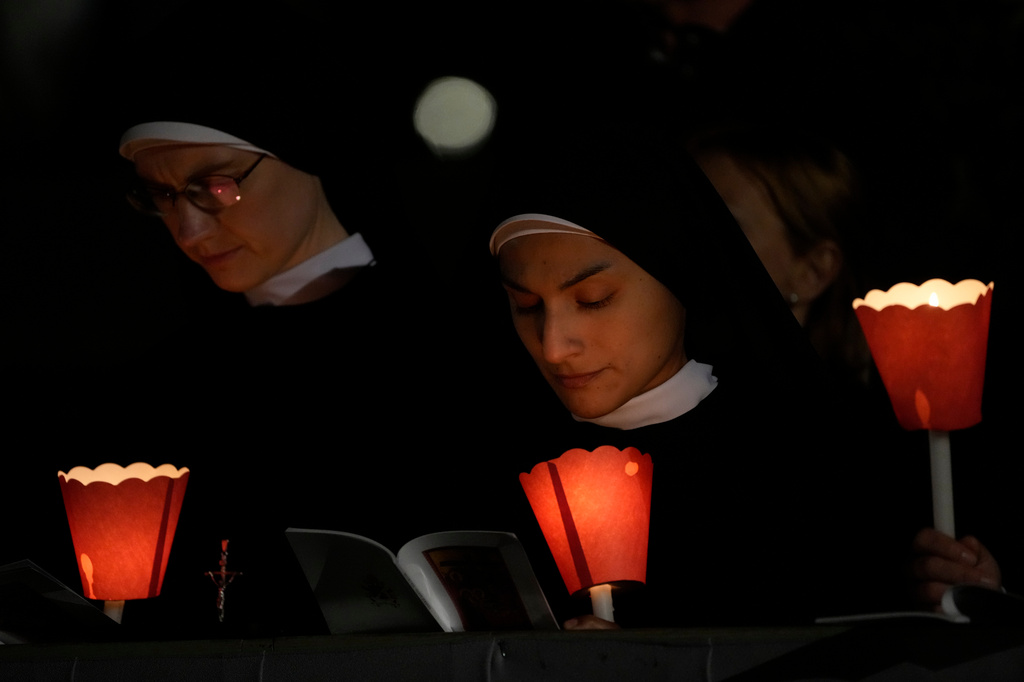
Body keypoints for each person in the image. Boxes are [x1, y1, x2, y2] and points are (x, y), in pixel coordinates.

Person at [481, 121, 900, 629]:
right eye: (525, 305)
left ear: (680, 275)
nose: (553, 346)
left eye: (594, 300)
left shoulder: (809, 462)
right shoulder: (485, 461)